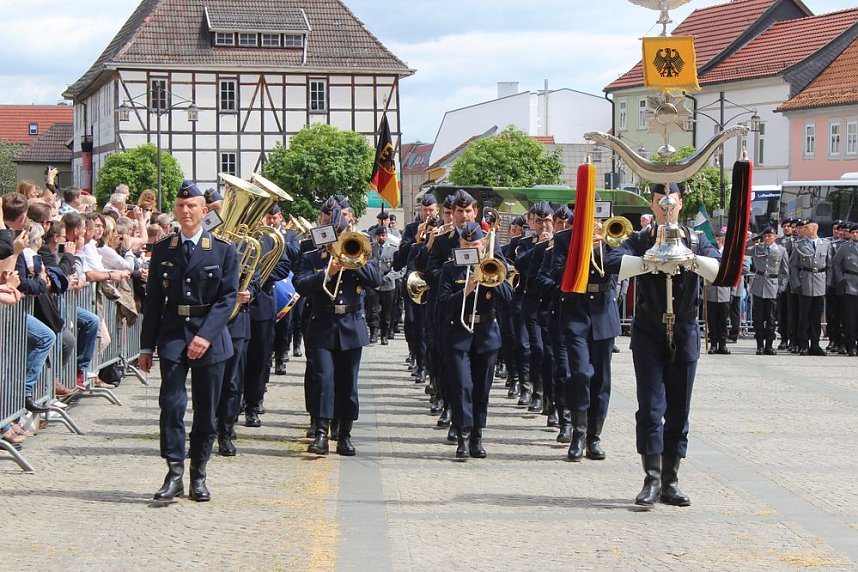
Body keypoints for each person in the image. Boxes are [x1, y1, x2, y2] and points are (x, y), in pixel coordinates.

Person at [604, 183, 721, 507]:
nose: (666, 208)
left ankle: (671, 479)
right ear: (653, 205)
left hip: (684, 328)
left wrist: (688, 258)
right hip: (649, 329)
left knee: (679, 410)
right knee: (651, 409)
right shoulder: (642, 238)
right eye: (659, 202)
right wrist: (651, 261)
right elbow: (612, 259)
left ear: (680, 203)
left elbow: (720, 270)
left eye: (671, 202)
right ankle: (652, 478)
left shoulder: (695, 238)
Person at [139, 180, 239, 502]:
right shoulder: (164, 248)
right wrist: (145, 345)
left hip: (210, 337)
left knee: (206, 412)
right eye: (181, 206)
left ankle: (199, 474)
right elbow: (154, 300)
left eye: (192, 206)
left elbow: (227, 299)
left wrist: (204, 336)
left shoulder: (223, 249)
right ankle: (174, 473)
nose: (185, 211)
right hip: (172, 335)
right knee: (171, 405)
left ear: (204, 210)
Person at [294, 206, 382, 456]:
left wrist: (353, 261)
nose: (339, 235)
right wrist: (327, 272)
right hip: (322, 324)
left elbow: (375, 279)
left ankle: (345, 433)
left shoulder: (361, 247)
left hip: (352, 325)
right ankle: (321, 433)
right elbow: (300, 285)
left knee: (348, 383)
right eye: (335, 231)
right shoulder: (312, 255)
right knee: (323, 378)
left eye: (342, 230)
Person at [551, 210, 621, 461]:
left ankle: (594, 437)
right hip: (576, 311)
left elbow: (618, 265)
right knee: (580, 373)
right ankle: (578, 434)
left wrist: (600, 246)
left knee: (601, 378)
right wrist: (581, 251)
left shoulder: (610, 239)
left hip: (603, 312)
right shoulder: (563, 240)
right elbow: (557, 273)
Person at [437, 222, 511, 458]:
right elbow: (443, 303)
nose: (470, 247)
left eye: (475, 244)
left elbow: (509, 299)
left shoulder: (495, 266)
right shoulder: (450, 269)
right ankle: (463, 435)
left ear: (483, 246)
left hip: (486, 333)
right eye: (466, 244)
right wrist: (466, 290)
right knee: (461, 386)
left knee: (481, 389)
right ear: (459, 245)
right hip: (458, 333)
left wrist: (491, 278)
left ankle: (477, 435)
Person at [788, 219, 831, 356]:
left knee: (816, 316)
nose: (803, 229)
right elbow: (793, 266)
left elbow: (829, 265)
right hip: (805, 282)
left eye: (806, 227)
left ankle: (815, 344)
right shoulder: (799, 245)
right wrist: (796, 283)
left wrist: (828, 283)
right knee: (804, 316)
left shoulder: (826, 244)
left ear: (814, 228)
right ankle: (804, 344)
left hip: (820, 282)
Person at [746, 227, 789, 355]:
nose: (767, 238)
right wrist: (753, 239)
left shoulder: (781, 250)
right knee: (758, 318)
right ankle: (759, 345)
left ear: (775, 237)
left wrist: (781, 288)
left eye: (770, 236)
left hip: (773, 285)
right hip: (759, 284)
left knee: (770, 318)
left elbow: (785, 272)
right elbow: (743, 249)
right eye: (765, 236)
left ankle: (769, 345)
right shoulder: (757, 248)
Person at [832, 223, 858, 356]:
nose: (854, 235)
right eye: (852, 233)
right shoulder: (845, 247)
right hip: (850, 284)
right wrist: (841, 279)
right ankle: (851, 345)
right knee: (850, 318)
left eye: (857, 232)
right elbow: (836, 264)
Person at [705, 231, 732, 355]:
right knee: (712, 320)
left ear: (721, 240)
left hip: (724, 291)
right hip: (711, 290)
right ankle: (713, 344)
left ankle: (723, 344)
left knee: (723, 320)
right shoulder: (709, 255)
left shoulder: (728, 255)